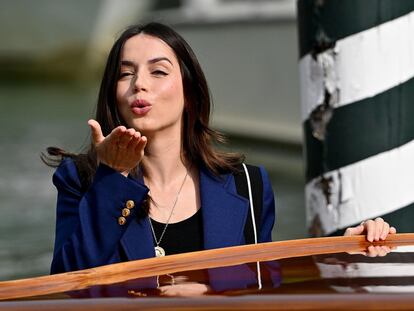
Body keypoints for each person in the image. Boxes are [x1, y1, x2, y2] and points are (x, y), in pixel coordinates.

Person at [44, 22, 396, 274]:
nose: (139, 85)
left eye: (159, 72)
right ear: (112, 94)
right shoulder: (82, 179)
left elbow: (265, 285)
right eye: (125, 74)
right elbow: (69, 283)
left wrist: (336, 256)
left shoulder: (248, 183)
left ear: (190, 93)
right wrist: (115, 177)